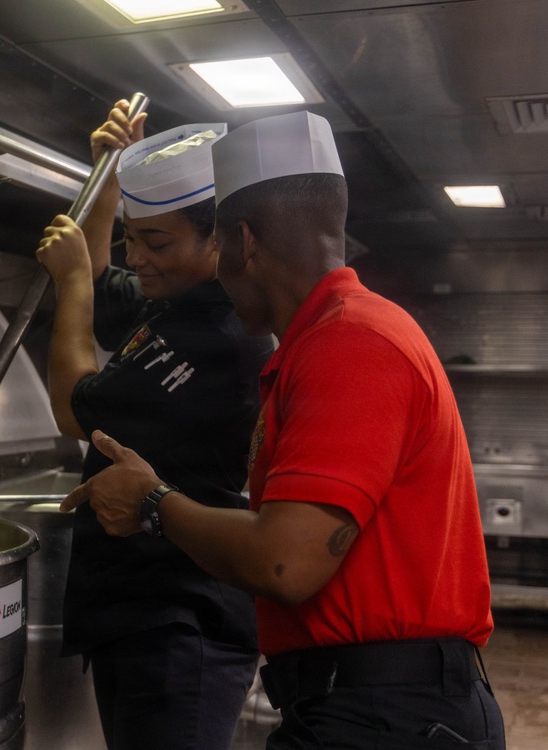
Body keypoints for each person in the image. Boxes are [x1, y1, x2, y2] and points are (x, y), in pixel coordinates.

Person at [59, 109, 506, 749]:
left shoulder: (349, 344)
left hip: (390, 717)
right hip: (365, 706)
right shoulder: (323, 341)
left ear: (242, 241)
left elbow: (282, 561)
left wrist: (151, 501)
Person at [34, 102, 274, 750]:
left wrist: (76, 282)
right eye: (133, 236)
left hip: (181, 622)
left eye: (156, 241)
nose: (135, 257)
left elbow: (72, 407)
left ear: (219, 238)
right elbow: (108, 282)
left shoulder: (222, 334)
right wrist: (110, 174)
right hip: (140, 614)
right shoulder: (176, 300)